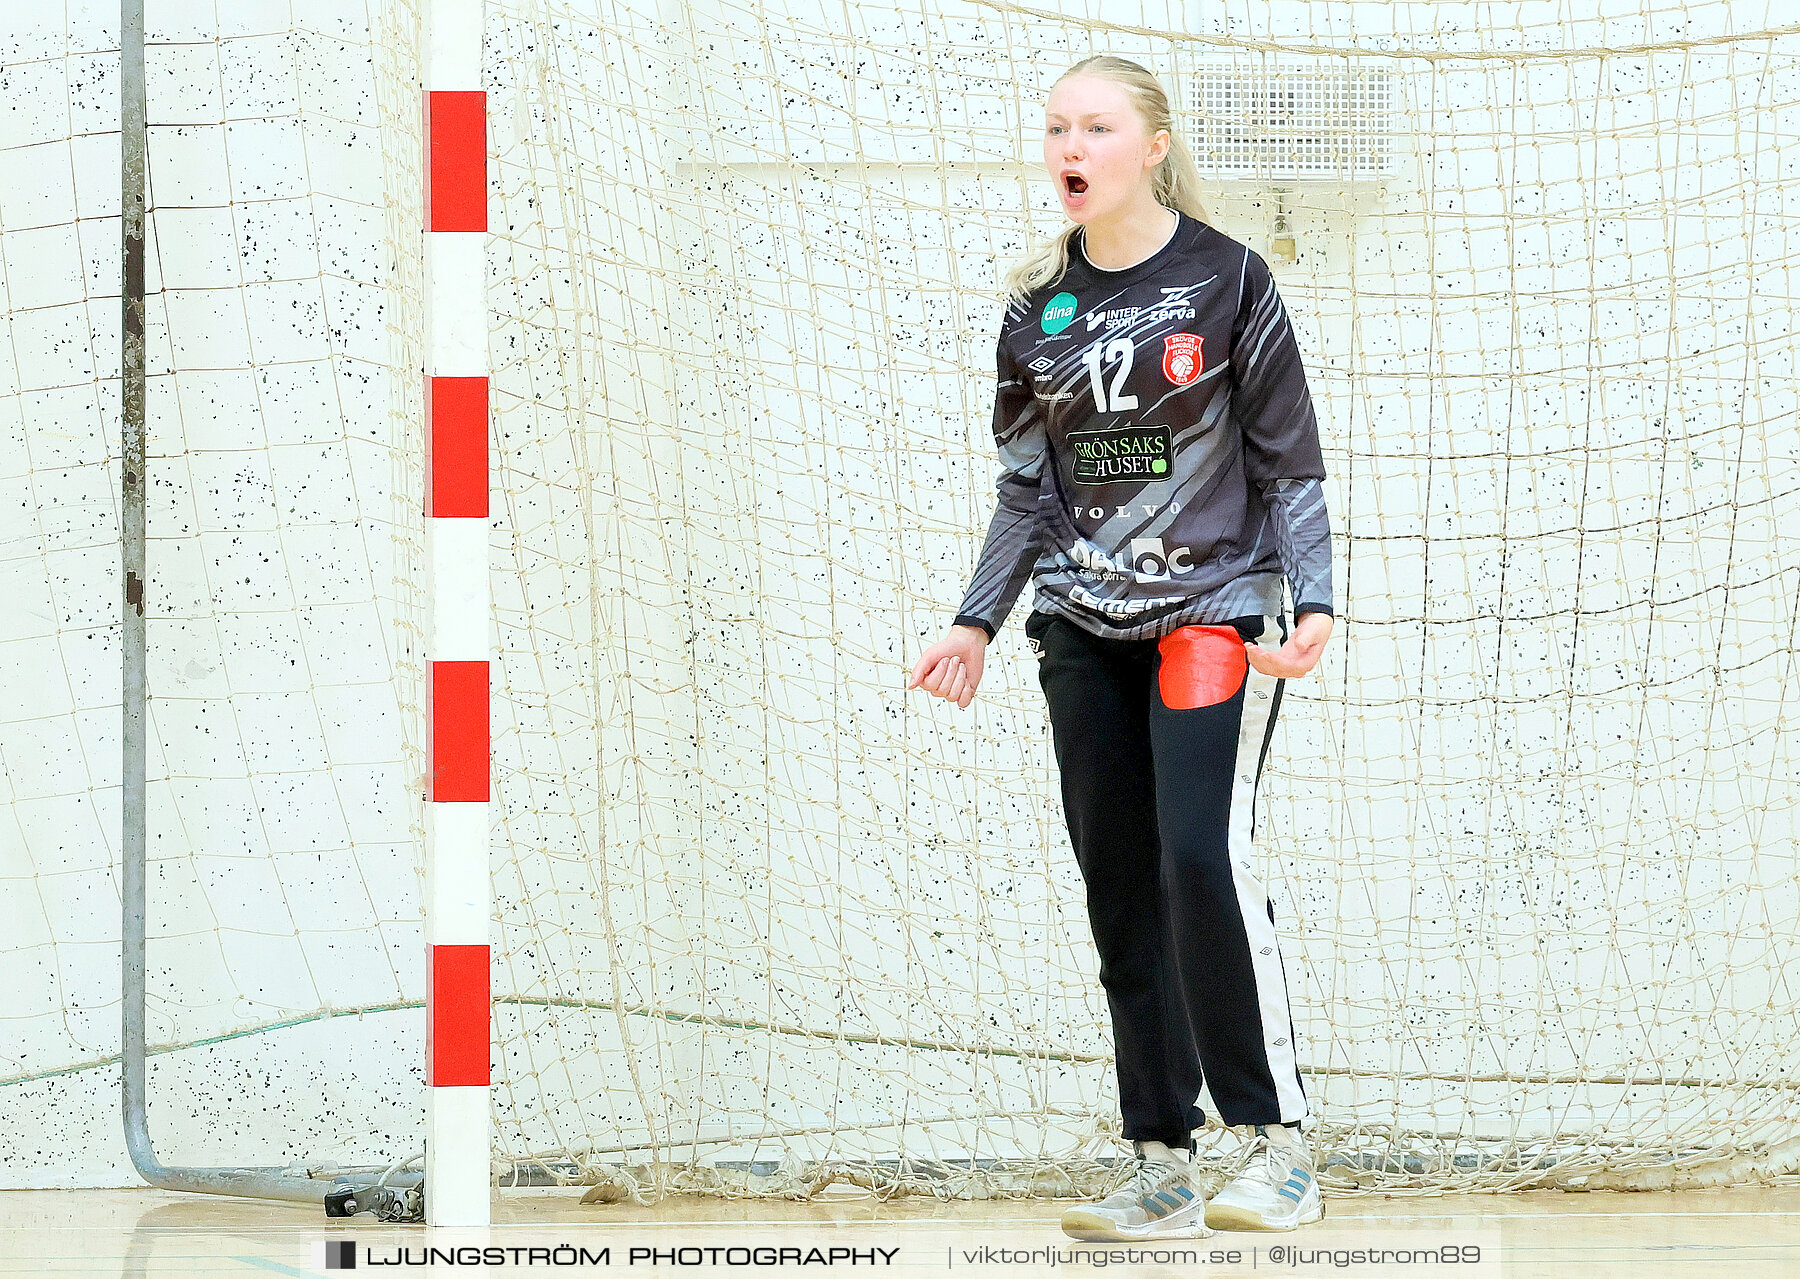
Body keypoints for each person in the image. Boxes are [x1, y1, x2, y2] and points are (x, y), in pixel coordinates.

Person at [907, 55, 1334, 1241]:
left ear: (1151, 143)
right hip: (1079, 628)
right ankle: (1160, 1157)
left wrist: (1315, 599)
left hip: (1210, 615)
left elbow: (1288, 459)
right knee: (1120, 889)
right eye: (1054, 128)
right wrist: (974, 619)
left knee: (1200, 858)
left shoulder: (1230, 279)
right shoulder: (1034, 305)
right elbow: (1025, 489)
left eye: (1094, 126)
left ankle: (1275, 1144)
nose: (1068, 147)